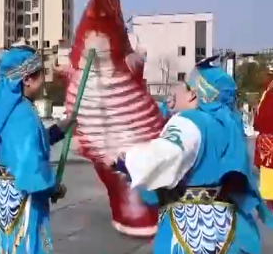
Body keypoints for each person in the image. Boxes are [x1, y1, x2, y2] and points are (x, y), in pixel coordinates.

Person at [110, 57, 272, 254]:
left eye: (183, 85)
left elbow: (167, 153)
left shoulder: (191, 120)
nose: (175, 90)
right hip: (227, 226)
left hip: (189, 229)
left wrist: (125, 161)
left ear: (193, 95)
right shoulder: (227, 124)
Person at [0, 46, 71, 254]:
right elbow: (30, 165)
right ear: (27, 79)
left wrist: (60, 129)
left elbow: (20, 147)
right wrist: (54, 187)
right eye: (42, 74)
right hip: (23, 197)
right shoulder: (23, 113)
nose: (44, 81)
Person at [256, 76, 273, 210]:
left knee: (269, 193)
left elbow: (258, 122)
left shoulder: (266, 95)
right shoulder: (267, 95)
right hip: (267, 144)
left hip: (266, 146)